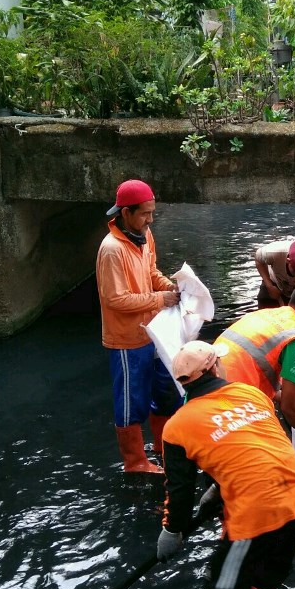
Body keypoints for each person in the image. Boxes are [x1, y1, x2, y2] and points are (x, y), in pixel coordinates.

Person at [157, 340, 295, 589]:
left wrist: (172, 530)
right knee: (260, 582)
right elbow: (254, 445)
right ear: (215, 368)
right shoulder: (250, 393)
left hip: (257, 511)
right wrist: (219, 489)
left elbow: (180, 490)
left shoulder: (177, 426)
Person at [96, 179, 181, 474]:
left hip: (153, 332)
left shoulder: (144, 235)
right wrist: (160, 299)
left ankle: (161, 445)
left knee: (165, 391)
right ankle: (134, 462)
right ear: (125, 212)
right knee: (131, 401)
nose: (150, 219)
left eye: (152, 213)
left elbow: (151, 271)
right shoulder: (111, 250)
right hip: (127, 339)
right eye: (145, 214)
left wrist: (171, 286)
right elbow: (115, 299)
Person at [215, 281, 295, 458]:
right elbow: (290, 407)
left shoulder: (265, 314)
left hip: (203, 392)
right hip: (231, 406)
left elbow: (253, 365)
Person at [254, 237, 295, 309]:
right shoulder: (274, 252)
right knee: (264, 303)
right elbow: (258, 260)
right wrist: (269, 286)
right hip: (274, 280)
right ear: (288, 261)